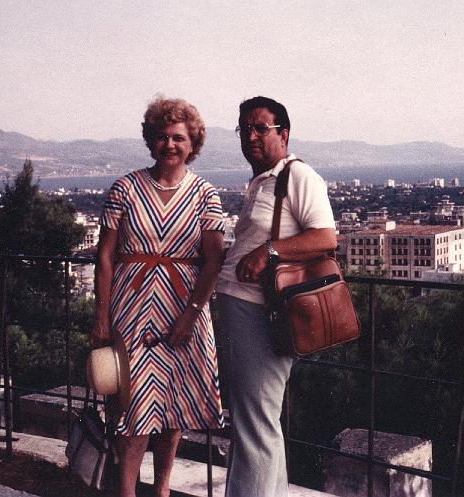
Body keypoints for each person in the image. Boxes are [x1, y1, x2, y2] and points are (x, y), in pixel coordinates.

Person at [91, 96, 225, 497]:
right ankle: (127, 493)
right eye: (163, 137)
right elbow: (104, 256)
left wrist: (191, 314)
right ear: (152, 140)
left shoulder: (205, 194)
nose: (170, 144)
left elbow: (214, 262)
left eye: (179, 138)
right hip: (131, 310)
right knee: (132, 409)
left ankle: (162, 490)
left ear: (192, 143)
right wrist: (101, 317)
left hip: (184, 310)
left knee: (174, 407)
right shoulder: (126, 188)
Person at [216, 96, 337, 497]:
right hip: (244, 308)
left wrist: (267, 252)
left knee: (254, 423)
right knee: (258, 420)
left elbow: (325, 238)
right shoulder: (263, 179)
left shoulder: (298, 176)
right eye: (243, 129)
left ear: (283, 133)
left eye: (260, 128)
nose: (250, 136)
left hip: (262, 310)